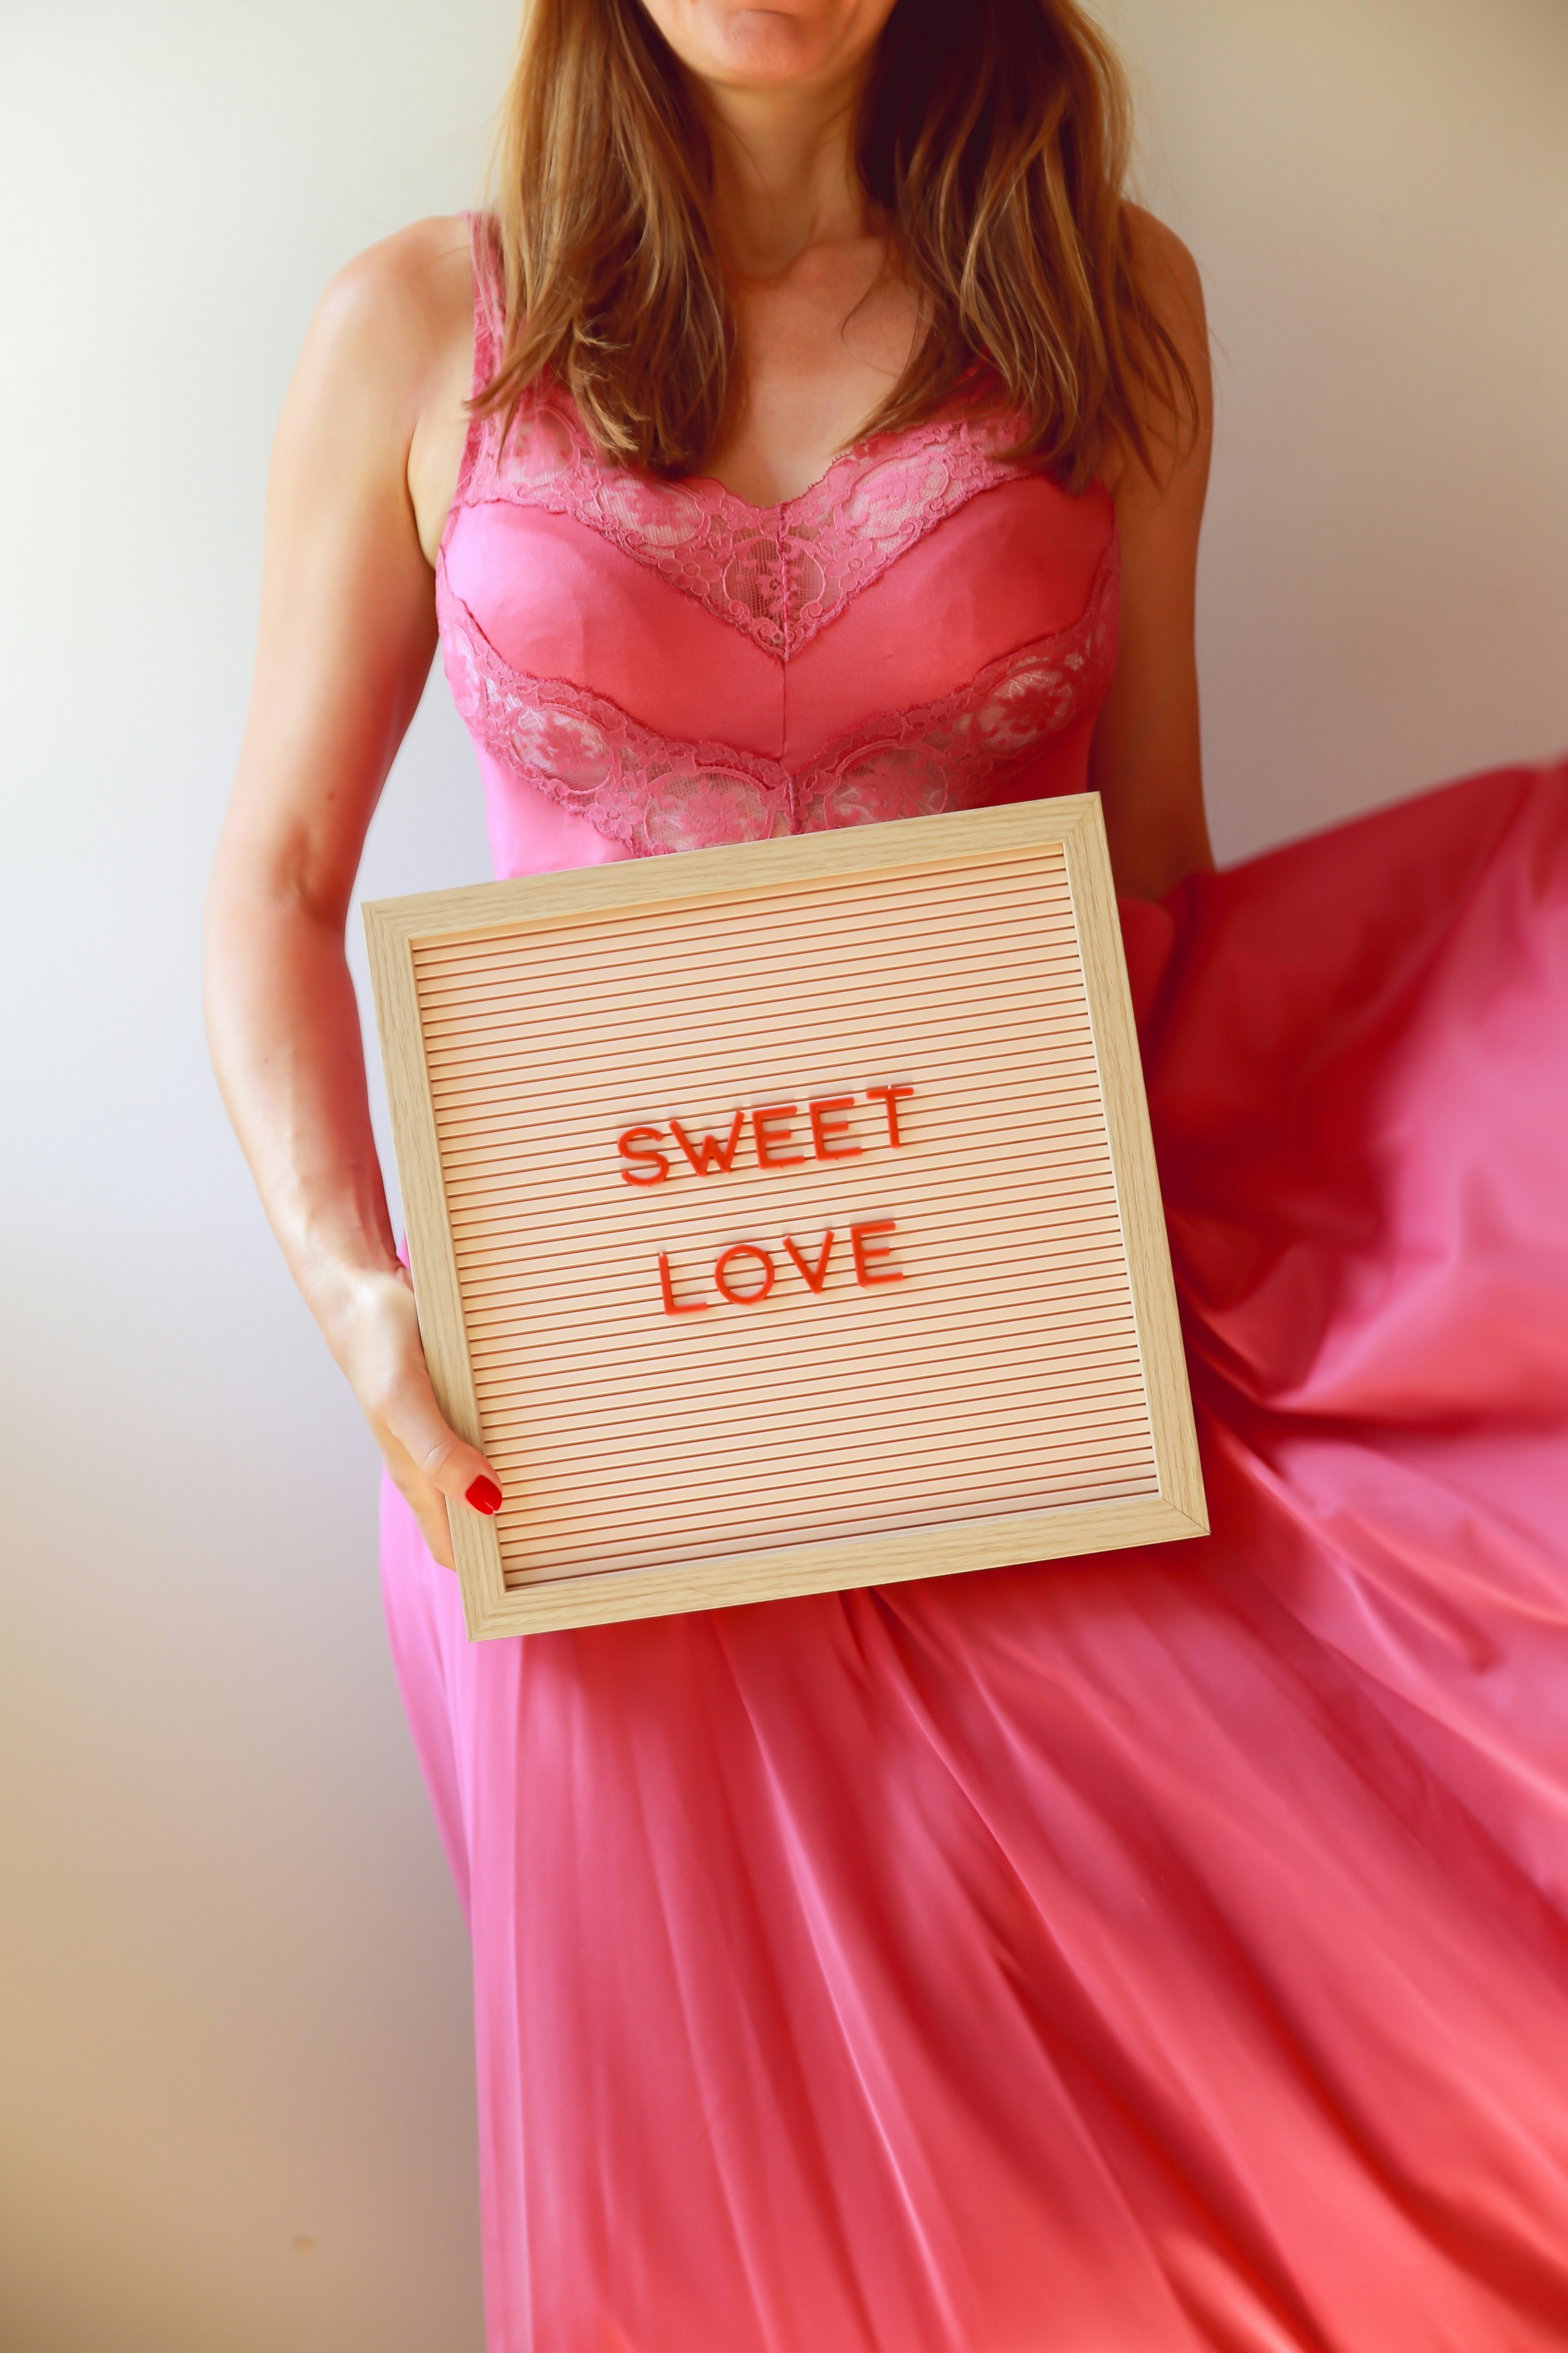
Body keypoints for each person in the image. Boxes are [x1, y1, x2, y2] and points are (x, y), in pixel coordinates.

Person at [205, 3, 1568, 2346]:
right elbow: (277, 872)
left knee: (1150, 2127)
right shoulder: (420, 320)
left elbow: (1148, 874)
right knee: (692, 2191)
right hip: (571, 1414)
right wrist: (363, 1306)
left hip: (1006, 1356)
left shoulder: (1102, 296)